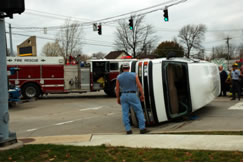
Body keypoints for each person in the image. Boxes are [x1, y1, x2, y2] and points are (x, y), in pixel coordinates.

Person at [116, 63, 149, 134]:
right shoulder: (134, 75)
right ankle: (142, 128)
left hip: (124, 95)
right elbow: (139, 86)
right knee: (139, 112)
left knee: (125, 113)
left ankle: (128, 130)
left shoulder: (119, 77)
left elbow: (117, 89)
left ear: (122, 68)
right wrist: (142, 95)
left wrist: (118, 98)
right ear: (129, 68)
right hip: (133, 94)